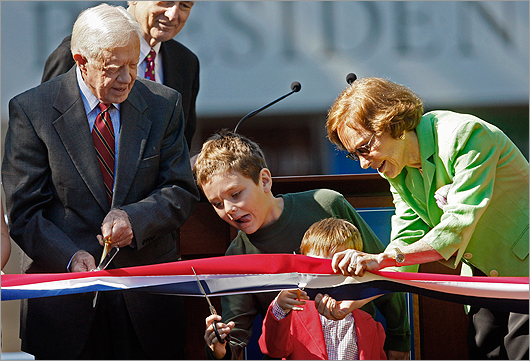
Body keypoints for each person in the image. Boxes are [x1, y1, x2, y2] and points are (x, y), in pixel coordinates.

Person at [2, 4, 199, 359]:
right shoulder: (32, 111)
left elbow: (180, 189)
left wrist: (134, 220)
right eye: (114, 68)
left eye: (133, 65)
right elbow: (24, 211)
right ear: (81, 61)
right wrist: (70, 256)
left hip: (148, 303)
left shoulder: (163, 105)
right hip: (65, 307)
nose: (127, 78)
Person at [326, 76, 529, 360]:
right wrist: (358, 297)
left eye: (364, 147)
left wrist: (383, 259)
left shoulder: (466, 134)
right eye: (353, 155)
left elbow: (456, 228)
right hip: (485, 279)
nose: (363, 163)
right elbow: (406, 241)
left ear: (390, 121)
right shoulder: (396, 169)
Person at [193, 130, 411, 360]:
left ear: (264, 181)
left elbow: (381, 271)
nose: (228, 209)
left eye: (235, 194)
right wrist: (218, 347)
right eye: (217, 204)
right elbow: (234, 341)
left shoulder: (326, 204)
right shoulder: (237, 256)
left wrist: (400, 340)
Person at [41, 1, 199, 149]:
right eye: (166, 1)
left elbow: (180, 146)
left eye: (185, 5)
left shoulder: (186, 62)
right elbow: (46, 133)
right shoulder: (78, 54)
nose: (173, 15)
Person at [258, 217, 387, 360]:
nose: (326, 276)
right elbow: (273, 350)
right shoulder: (293, 314)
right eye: (316, 266)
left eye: (337, 267)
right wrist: (280, 307)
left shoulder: (370, 325)